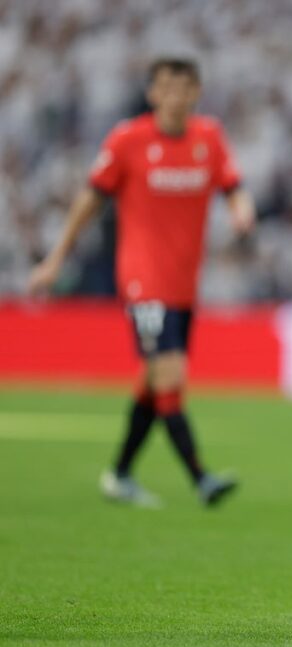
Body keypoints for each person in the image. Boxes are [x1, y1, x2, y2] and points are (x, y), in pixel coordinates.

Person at [28, 57, 255, 508]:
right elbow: (89, 200)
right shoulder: (128, 140)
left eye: (186, 86)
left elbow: (233, 185)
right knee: (170, 374)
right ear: (153, 93)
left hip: (183, 285)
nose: (176, 95)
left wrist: (241, 211)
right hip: (142, 280)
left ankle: (119, 474)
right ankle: (200, 477)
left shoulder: (208, 138)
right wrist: (55, 259)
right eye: (167, 86)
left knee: (154, 383)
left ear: (196, 92)